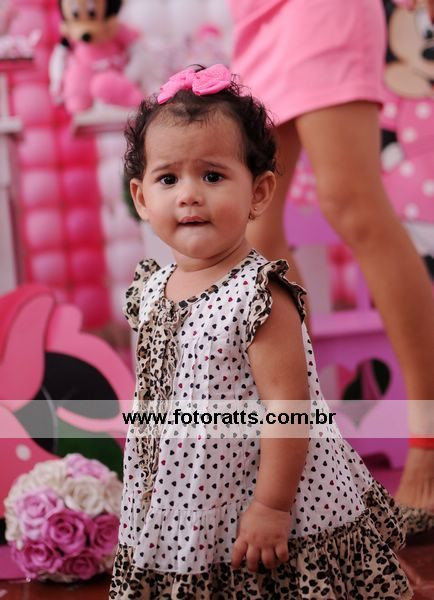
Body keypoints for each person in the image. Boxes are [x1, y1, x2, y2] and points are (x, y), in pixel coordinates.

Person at [109, 64, 412, 599]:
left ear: (259, 191)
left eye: (212, 176)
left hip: (262, 494)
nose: (189, 195)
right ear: (141, 198)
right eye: (168, 179)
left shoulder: (258, 296)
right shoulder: (151, 289)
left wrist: (272, 506)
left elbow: (290, 409)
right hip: (186, 494)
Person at [227, 0, 434, 522]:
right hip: (258, 18)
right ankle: (306, 446)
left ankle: (429, 439)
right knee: (255, 232)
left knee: (351, 202)